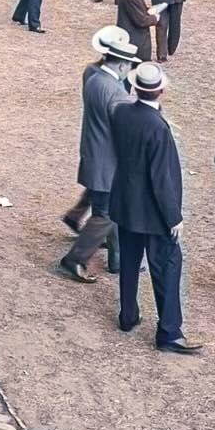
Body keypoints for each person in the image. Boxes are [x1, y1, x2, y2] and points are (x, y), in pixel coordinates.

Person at [108, 63, 203, 354]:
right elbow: (161, 179)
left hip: (125, 203)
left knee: (130, 262)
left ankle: (128, 315)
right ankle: (169, 332)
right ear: (161, 91)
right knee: (167, 267)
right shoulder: (158, 128)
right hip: (153, 213)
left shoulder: (121, 113)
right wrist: (174, 216)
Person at [61, 27, 139, 282]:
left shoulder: (93, 75)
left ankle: (117, 258)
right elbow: (126, 128)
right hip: (109, 160)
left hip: (95, 153)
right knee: (106, 214)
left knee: (109, 208)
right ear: (122, 65)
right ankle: (75, 258)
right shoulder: (115, 91)